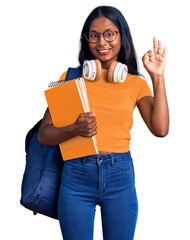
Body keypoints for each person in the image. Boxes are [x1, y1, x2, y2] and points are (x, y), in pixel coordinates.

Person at [38, 5, 169, 240]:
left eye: (109, 33)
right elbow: (44, 135)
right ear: (86, 40)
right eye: (94, 35)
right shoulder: (69, 79)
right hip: (76, 177)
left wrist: (157, 78)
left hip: (120, 175)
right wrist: (73, 129)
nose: (102, 43)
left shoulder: (135, 84)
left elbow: (160, 129)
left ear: (122, 37)